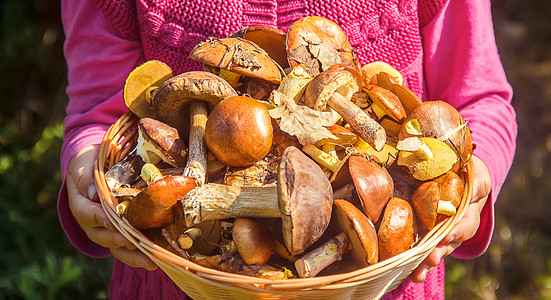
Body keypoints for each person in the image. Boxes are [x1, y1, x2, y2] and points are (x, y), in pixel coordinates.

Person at [59, 0, 517, 298]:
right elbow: (101, 112)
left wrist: (478, 175)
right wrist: (86, 168)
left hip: (381, 280)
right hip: (176, 279)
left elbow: (480, 101)